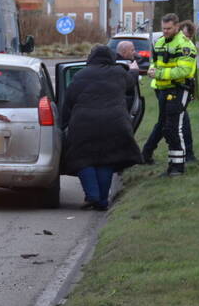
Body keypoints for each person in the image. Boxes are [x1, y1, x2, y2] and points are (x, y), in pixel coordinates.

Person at [60, 45, 143, 210]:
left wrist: (63, 124)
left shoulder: (80, 75)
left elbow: (68, 101)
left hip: (84, 125)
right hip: (114, 124)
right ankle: (102, 201)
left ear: (91, 59)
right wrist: (134, 70)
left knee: (82, 159)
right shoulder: (119, 73)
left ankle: (92, 195)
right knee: (107, 160)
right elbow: (131, 82)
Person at [140, 14, 198, 174]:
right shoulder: (158, 42)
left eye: (169, 28)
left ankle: (178, 166)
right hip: (163, 90)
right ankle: (173, 164)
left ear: (177, 27)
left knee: (174, 127)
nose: (165, 31)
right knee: (166, 127)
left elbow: (184, 70)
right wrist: (152, 68)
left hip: (179, 89)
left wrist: (158, 73)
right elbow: (155, 62)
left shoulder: (185, 45)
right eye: (163, 28)